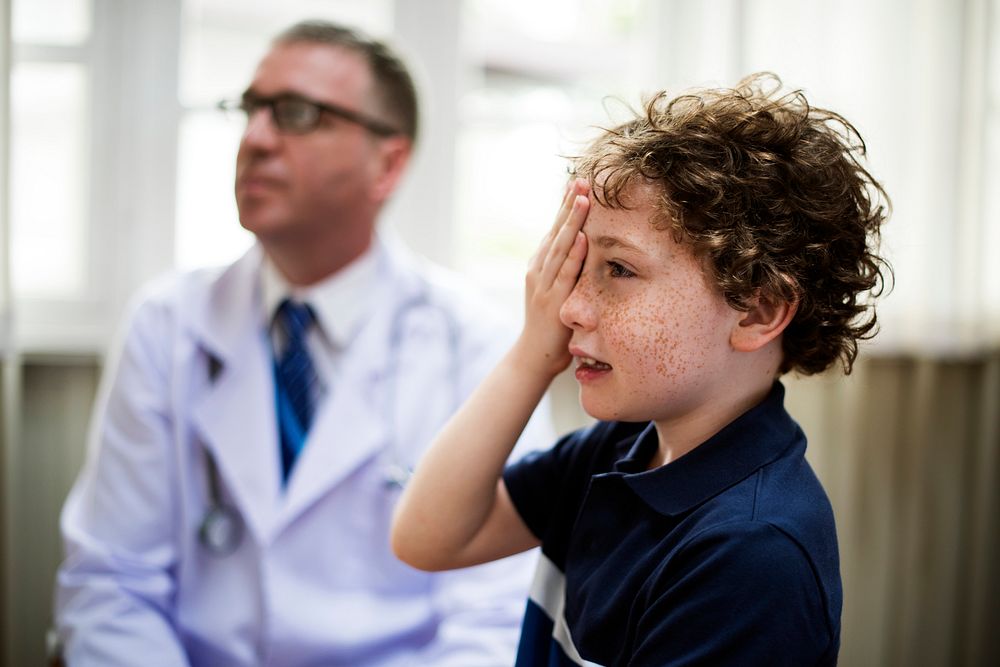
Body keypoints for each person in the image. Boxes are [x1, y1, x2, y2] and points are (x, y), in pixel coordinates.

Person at [55, 20, 550, 666]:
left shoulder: (477, 346)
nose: (255, 139)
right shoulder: (167, 324)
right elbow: (111, 585)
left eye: (295, 113)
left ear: (389, 162)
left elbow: (494, 614)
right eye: (251, 110)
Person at [391, 73, 890, 666]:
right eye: (579, 265)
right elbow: (428, 537)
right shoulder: (620, 449)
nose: (570, 308)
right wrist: (531, 355)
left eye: (619, 270)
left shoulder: (751, 557)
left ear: (756, 310)